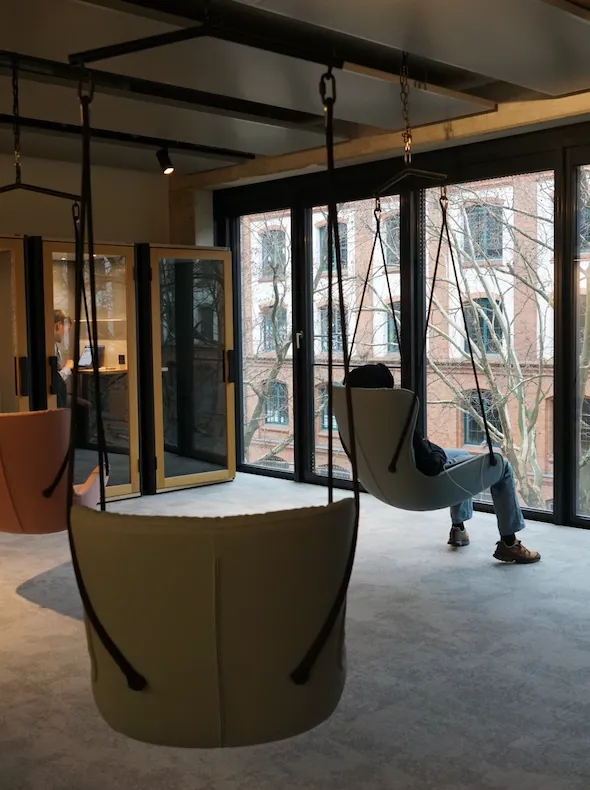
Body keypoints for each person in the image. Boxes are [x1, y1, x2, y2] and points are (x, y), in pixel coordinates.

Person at [344, 363, 541, 564]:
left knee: (462, 453)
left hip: (387, 479)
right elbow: (431, 463)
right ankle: (509, 543)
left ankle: (459, 529)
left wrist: (429, 449)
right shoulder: (392, 415)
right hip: (423, 482)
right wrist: (434, 450)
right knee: (502, 466)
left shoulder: (355, 415)